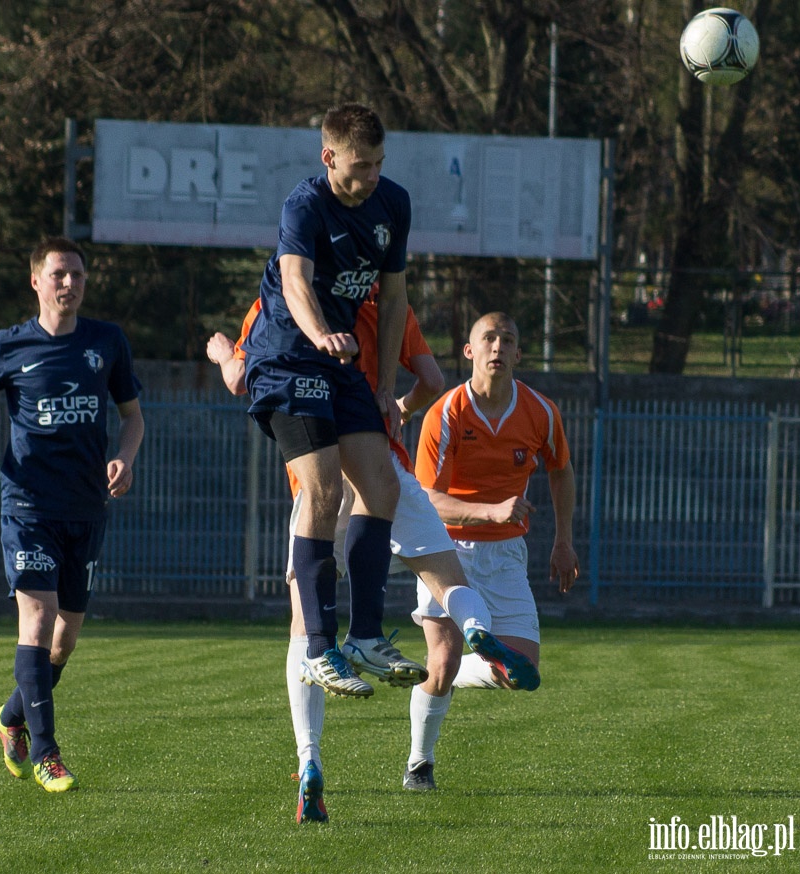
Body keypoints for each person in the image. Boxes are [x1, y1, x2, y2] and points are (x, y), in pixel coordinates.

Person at [208, 299, 536, 822]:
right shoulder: (386, 303)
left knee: (305, 625)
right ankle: (472, 628)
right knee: (448, 581)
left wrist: (223, 351)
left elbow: (241, 379)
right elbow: (429, 378)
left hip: (318, 483)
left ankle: (310, 759)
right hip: (385, 467)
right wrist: (397, 407)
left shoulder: (279, 298)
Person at [0, 236, 145, 793]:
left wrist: (124, 459)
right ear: (36, 281)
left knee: (64, 641)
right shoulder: (7, 346)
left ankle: (10, 716)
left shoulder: (107, 342)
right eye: (58, 274)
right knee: (37, 617)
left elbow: (132, 418)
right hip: (27, 504)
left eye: (77, 275)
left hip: (86, 508)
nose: (69, 284)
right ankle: (47, 754)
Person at [240, 102, 424, 702]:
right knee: (322, 491)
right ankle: (319, 647)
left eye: (377, 164)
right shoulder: (305, 204)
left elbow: (393, 300)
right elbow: (294, 279)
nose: (369, 176)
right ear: (329, 157)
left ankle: (366, 636)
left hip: (343, 363)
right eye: (359, 165)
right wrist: (320, 333)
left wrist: (381, 383)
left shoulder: (392, 203)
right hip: (289, 358)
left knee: (382, 487)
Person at [405, 312, 579, 791]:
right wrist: (490, 510)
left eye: (507, 339)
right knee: (439, 663)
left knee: (524, 674)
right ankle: (419, 765)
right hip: (445, 551)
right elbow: (426, 499)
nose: (497, 346)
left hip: (506, 555)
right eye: (488, 338)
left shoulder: (541, 413)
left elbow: (561, 470)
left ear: (519, 354)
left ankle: (464, 662)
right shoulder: (446, 413)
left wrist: (563, 540)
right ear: (469, 350)